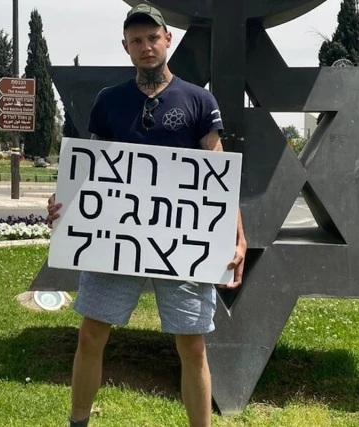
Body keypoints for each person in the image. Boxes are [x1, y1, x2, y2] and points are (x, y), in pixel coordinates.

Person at [46, 4, 247, 427]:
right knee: (90, 336)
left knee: (193, 347)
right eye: (136, 40)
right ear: (126, 47)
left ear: (167, 40)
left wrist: (237, 234)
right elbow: (93, 167)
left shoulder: (199, 100)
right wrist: (64, 203)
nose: (146, 46)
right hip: (115, 242)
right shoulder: (109, 101)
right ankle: (78, 422)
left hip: (183, 242)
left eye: (153, 38)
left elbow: (218, 175)